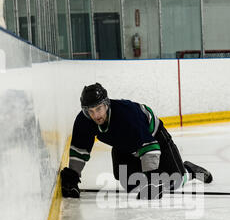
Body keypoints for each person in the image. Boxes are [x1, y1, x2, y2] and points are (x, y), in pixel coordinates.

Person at [61, 83, 213, 199]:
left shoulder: (127, 115)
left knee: (174, 181)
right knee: (131, 184)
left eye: (99, 109)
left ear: (106, 105)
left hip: (156, 139)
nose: (96, 115)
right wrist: (73, 176)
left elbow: (150, 147)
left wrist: (151, 181)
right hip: (123, 146)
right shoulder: (84, 121)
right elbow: (80, 149)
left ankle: (190, 171)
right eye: (91, 111)